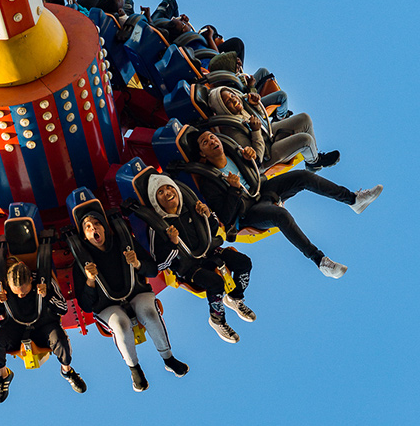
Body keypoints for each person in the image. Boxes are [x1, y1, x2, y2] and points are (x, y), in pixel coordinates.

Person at [192, 130, 383, 278]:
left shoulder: (235, 153)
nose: (212, 141)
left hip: (264, 189)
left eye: (212, 137)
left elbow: (258, 165)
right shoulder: (209, 181)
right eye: (205, 142)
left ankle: (353, 199)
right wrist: (234, 190)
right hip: (248, 211)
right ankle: (320, 261)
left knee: (303, 176)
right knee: (280, 216)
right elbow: (225, 217)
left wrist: (249, 157)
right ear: (202, 153)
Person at [72, 209, 188, 391]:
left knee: (149, 313)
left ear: (104, 228)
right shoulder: (81, 262)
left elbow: (151, 270)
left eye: (97, 224)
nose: (94, 228)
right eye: (88, 227)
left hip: (137, 293)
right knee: (121, 324)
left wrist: (137, 264)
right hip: (107, 306)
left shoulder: (124, 244)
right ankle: (135, 370)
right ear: (85, 237)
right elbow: (86, 305)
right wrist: (90, 281)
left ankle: (168, 358)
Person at [146, 174, 254, 343]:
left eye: (169, 187)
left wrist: (208, 215)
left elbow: (212, 230)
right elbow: (160, 264)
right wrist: (173, 244)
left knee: (244, 262)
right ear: (156, 200)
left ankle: (235, 297)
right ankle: (217, 320)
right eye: (160, 191)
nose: (167, 192)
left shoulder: (190, 209)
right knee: (215, 283)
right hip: (188, 267)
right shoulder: (158, 227)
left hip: (210, 251)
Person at [0, 259, 86, 403]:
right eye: (17, 293)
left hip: (43, 326)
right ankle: (4, 375)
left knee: (60, 340)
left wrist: (47, 295)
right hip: (15, 328)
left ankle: (67, 371)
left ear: (31, 281)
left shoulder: (46, 282)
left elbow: (63, 308)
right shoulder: (3, 286)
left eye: (25, 292)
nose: (21, 295)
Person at [207, 86, 340, 172]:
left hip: (268, 133)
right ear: (223, 108)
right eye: (228, 101)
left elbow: (262, 120)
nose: (234, 99)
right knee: (306, 140)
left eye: (232, 95)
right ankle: (313, 163)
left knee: (304, 119)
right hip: (266, 154)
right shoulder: (232, 129)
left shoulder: (243, 107)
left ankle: (315, 154)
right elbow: (256, 161)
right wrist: (256, 131)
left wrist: (256, 106)